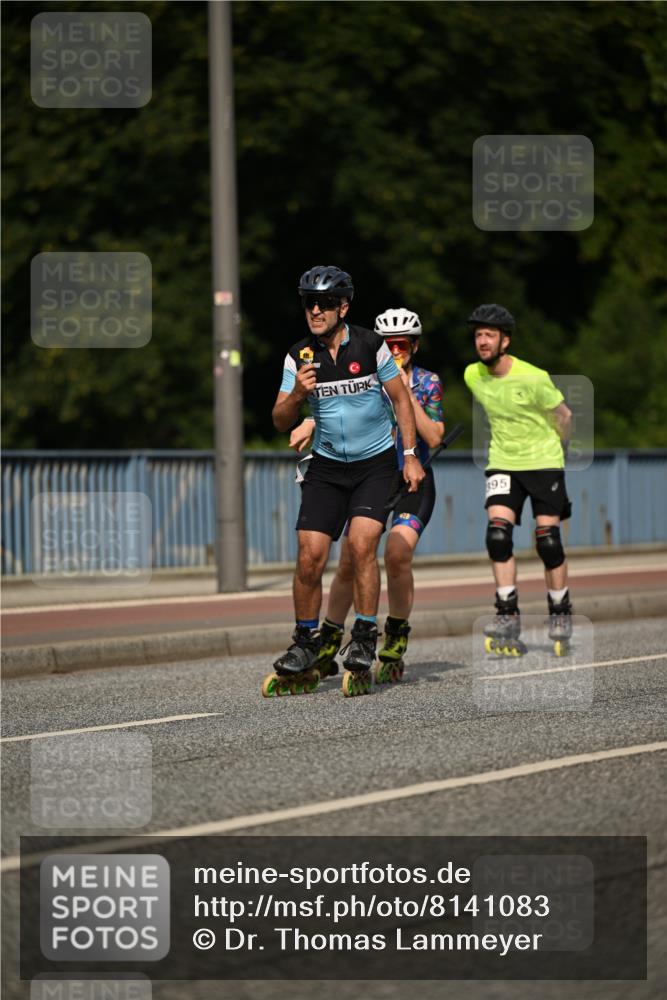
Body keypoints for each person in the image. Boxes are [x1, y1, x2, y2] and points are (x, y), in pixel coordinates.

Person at [267, 266, 425, 696]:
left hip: (375, 465)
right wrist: (297, 395)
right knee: (309, 556)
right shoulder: (298, 356)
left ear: (344, 307)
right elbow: (280, 419)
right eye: (309, 303)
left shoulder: (371, 346)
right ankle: (305, 642)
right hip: (327, 467)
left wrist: (410, 456)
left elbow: (401, 400)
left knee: (360, 547)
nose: (315, 310)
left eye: (325, 303)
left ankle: (364, 636)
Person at [290, 308, 445, 681]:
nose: (395, 352)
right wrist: (310, 420)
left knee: (397, 554)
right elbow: (339, 406)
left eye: (402, 345)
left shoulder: (427, 382)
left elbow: (435, 437)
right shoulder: (367, 374)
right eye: (389, 345)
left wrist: (404, 393)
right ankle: (329, 634)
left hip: (411, 479)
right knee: (351, 558)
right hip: (370, 477)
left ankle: (396, 631)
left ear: (414, 346)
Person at [464, 304, 574, 656]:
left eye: (490, 335)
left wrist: (557, 453)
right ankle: (507, 615)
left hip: (543, 463)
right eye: (478, 335)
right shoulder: (472, 375)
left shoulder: (534, 377)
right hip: (503, 463)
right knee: (497, 536)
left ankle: (560, 612)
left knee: (548, 542)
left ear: (505, 341)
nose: (482, 341)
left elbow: (564, 416)